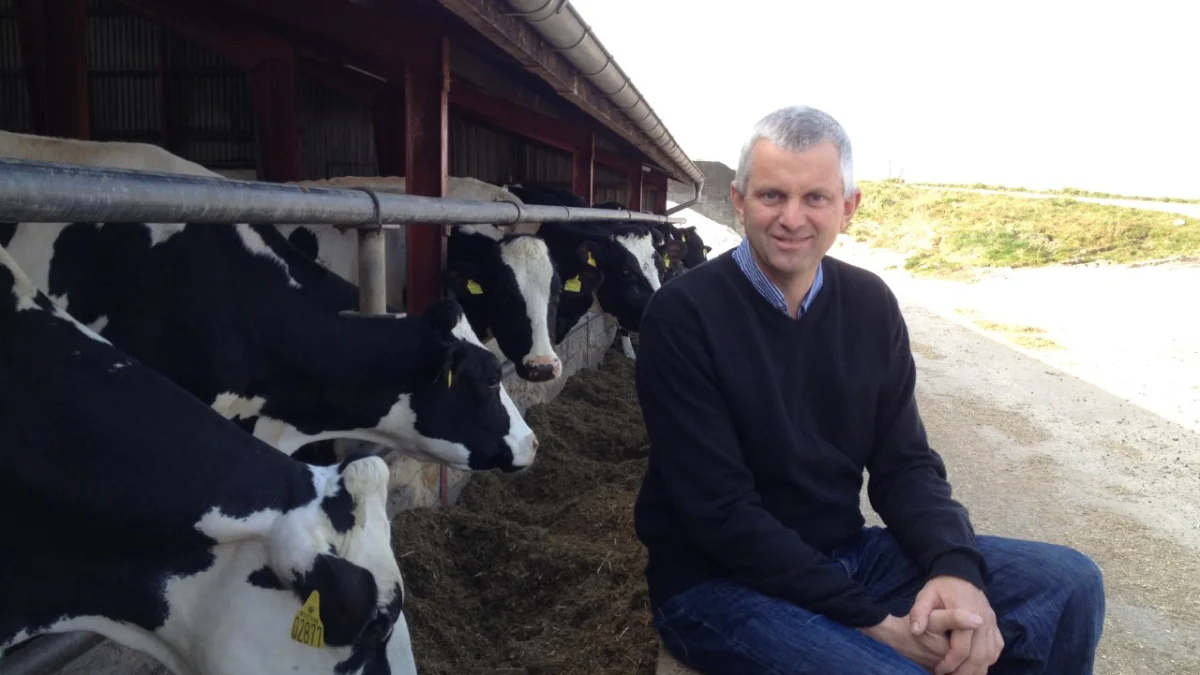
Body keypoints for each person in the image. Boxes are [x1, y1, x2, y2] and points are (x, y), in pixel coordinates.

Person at [632, 105, 1106, 675]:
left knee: (1071, 583)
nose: (792, 218)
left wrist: (954, 568)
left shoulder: (870, 304)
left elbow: (904, 464)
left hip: (848, 555)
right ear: (737, 200)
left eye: (815, 198)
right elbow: (720, 514)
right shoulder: (683, 315)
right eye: (772, 196)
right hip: (718, 584)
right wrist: (880, 626)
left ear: (848, 208)